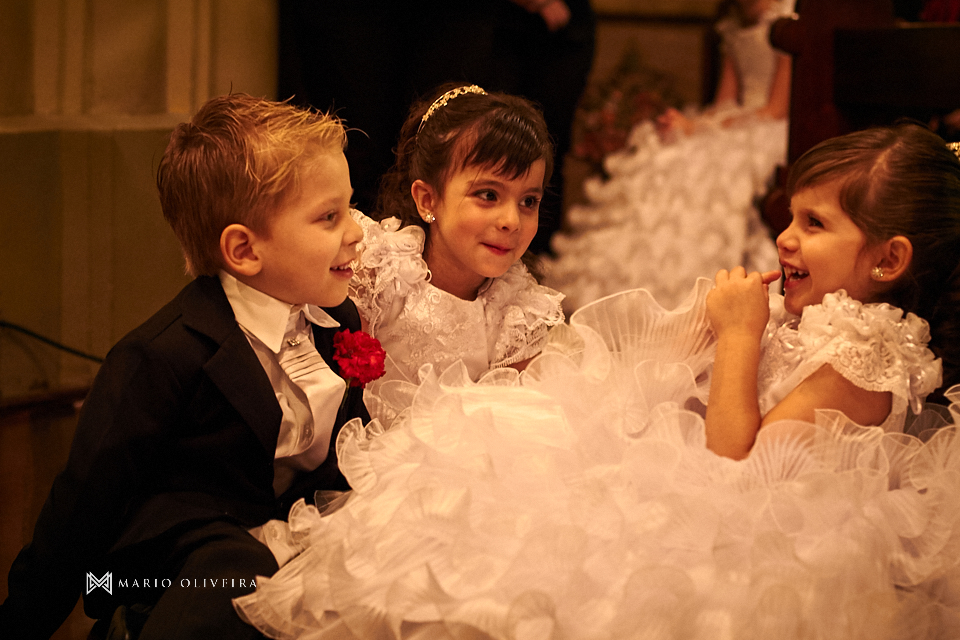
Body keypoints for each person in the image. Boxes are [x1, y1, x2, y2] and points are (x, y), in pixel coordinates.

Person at [234, 124, 960, 638]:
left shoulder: (869, 357)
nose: (786, 239)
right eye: (791, 217)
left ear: (888, 261)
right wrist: (709, 330)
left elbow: (744, 465)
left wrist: (742, 336)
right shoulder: (806, 318)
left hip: (743, 524)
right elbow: (657, 362)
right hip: (685, 455)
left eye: (815, 223)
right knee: (500, 429)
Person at [0, 94, 371, 639]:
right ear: (244, 250)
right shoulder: (161, 355)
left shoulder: (336, 319)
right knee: (236, 571)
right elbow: (81, 508)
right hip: (156, 573)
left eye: (350, 207)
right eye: (328, 217)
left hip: (289, 531)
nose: (356, 231)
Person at [546, 0, 794, 312]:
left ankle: (703, 291)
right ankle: (633, 288)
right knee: (666, 156)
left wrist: (701, 127)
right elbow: (725, 103)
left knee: (714, 169)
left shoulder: (788, 15)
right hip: (734, 121)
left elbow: (775, 109)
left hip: (773, 125)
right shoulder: (733, 22)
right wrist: (696, 126)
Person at [348, 84, 565, 388]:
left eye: (528, 201)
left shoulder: (520, 315)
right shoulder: (380, 275)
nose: (511, 221)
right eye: (488, 195)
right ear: (428, 200)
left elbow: (515, 421)